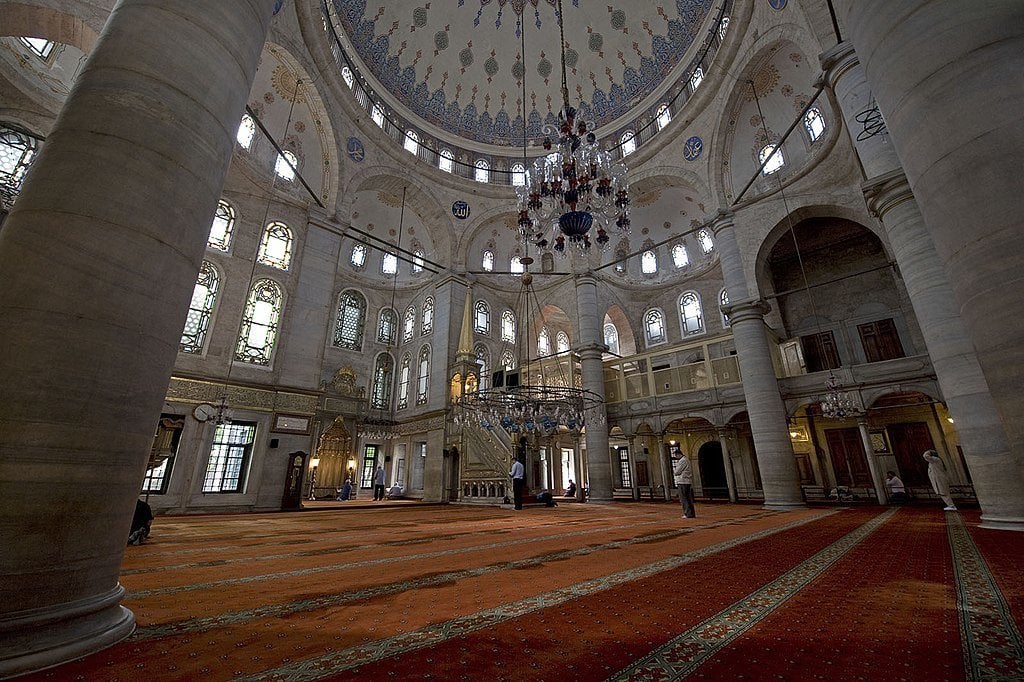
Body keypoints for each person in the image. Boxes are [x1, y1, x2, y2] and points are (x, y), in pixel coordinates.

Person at [672, 448, 696, 518]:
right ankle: (691, 513)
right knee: (688, 498)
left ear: (678, 454)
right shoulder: (686, 459)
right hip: (686, 481)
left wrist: (675, 472)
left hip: (682, 481)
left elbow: (677, 472)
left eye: (676, 456)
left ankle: (687, 513)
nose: (675, 457)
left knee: (684, 498)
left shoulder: (682, 461)